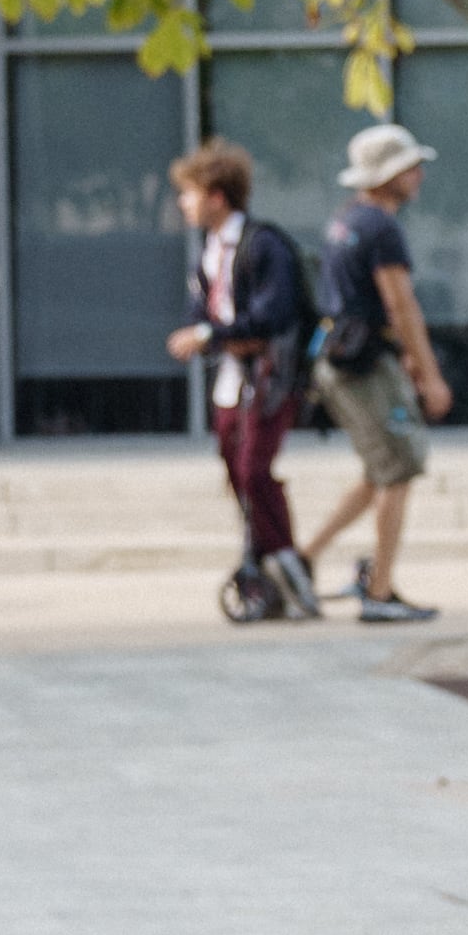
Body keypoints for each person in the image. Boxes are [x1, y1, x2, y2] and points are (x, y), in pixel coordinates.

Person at [301, 121, 454, 625]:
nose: (420, 175)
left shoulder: (346, 220)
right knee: (400, 470)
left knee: (377, 473)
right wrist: (429, 375)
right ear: (387, 175)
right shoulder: (382, 227)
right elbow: (400, 304)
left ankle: (304, 559)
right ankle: (380, 591)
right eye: (410, 167)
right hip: (365, 368)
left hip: (342, 359)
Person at [165, 140, 317, 621]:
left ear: (216, 196)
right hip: (232, 379)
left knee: (253, 468)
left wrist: (210, 334)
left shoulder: (263, 244)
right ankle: (267, 567)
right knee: (236, 467)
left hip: (271, 378)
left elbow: (271, 317)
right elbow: (205, 314)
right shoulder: (208, 251)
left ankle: (286, 569)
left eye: (189, 194)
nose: (182, 204)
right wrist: (209, 335)